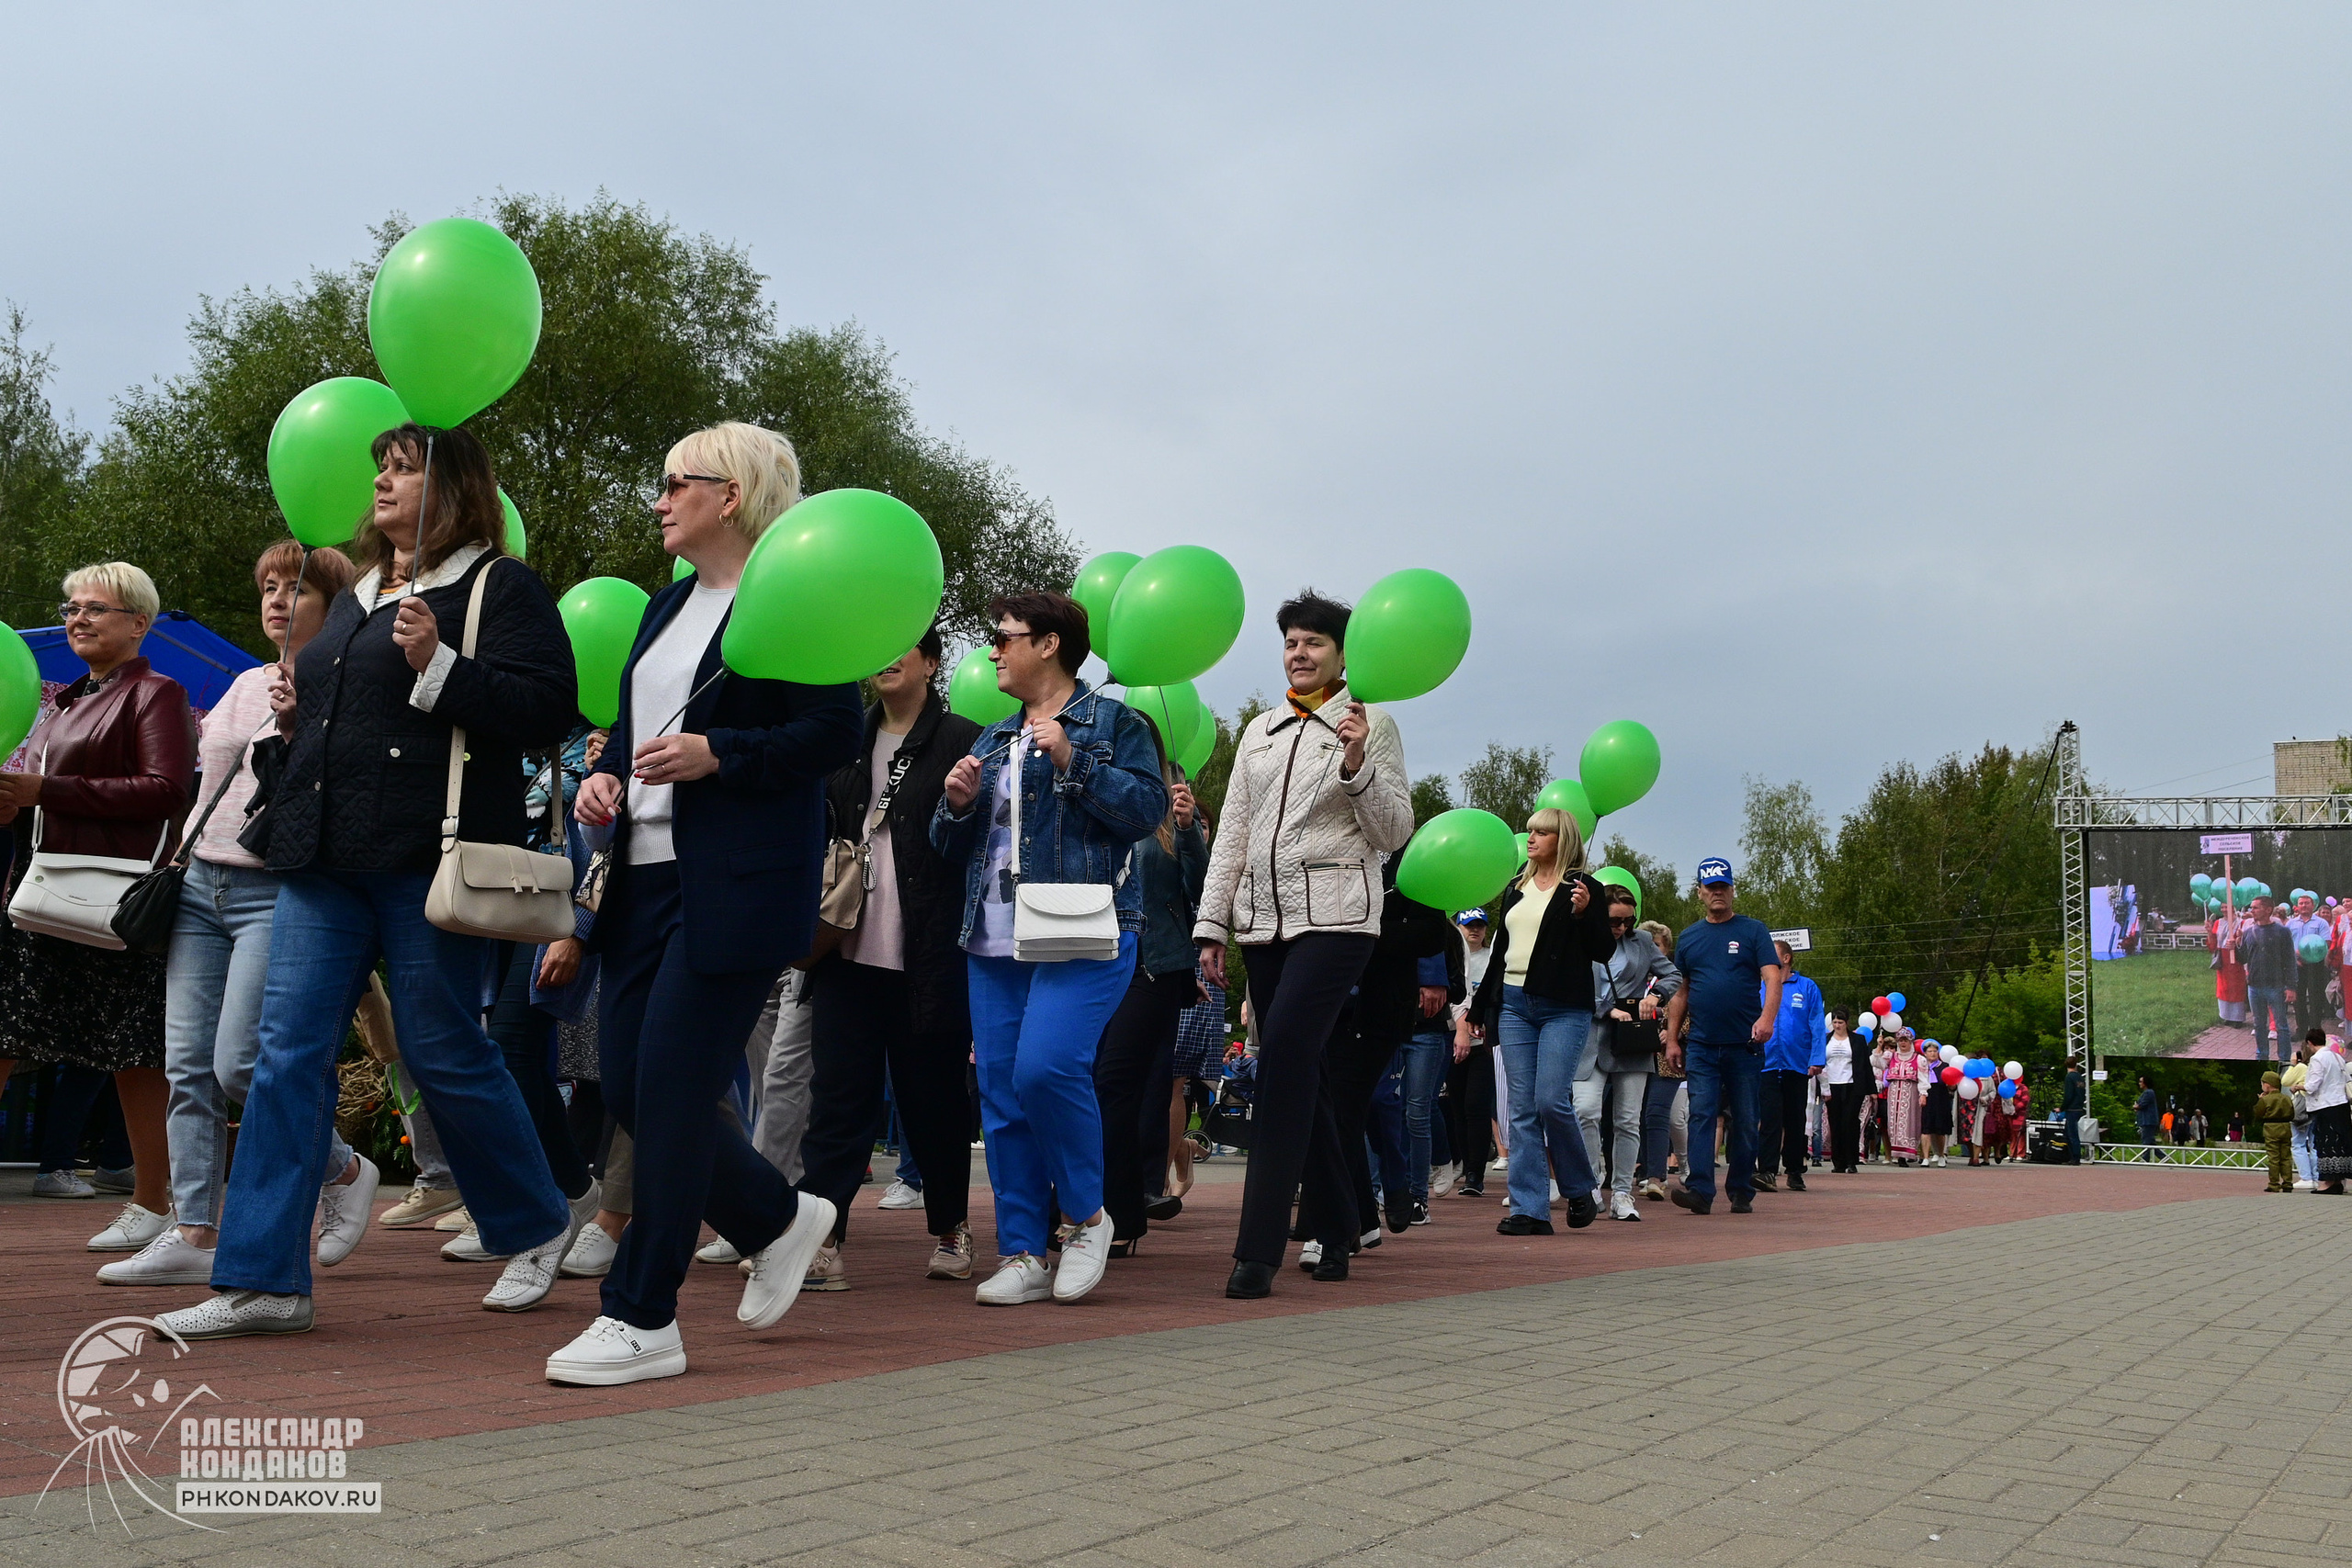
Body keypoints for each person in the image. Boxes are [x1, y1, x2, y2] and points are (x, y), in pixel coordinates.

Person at [153, 426, 578, 1342]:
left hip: (428, 860)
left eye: (405, 466)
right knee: (284, 1056)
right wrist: (303, 720)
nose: (383, 481)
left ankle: (535, 1222)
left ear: (456, 487)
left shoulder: (496, 587)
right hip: (324, 859)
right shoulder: (358, 590)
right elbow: (341, 716)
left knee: (442, 1053)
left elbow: (547, 707)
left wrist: (441, 668)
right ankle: (265, 1280)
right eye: (379, 466)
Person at [550, 422, 864, 1382]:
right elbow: (637, 733)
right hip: (641, 878)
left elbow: (832, 735)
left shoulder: (795, 604)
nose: (657, 500)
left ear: (729, 495)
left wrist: (720, 755)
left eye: (673, 482)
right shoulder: (662, 608)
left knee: (677, 1092)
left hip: (734, 888)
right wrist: (606, 783)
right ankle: (779, 1216)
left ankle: (643, 1317)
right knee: (640, 1091)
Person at [96, 544, 361, 1286]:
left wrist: (304, 718)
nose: (278, 600)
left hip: (275, 890)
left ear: (333, 607)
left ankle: (342, 1172)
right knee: (185, 1066)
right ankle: (194, 1229)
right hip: (198, 885)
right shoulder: (245, 681)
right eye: (269, 587)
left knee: (239, 1062)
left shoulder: (348, 686)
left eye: (297, 590)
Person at [933, 591, 1169, 1306]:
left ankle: (1089, 1218)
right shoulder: (991, 735)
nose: (993, 650)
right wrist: (956, 803)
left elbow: (1147, 811)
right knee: (1002, 1093)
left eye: (1004, 637)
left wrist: (1074, 759)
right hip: (994, 935)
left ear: (1049, 644)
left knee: (1046, 1069)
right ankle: (1021, 1251)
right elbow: (948, 846)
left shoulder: (1113, 722)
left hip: (1082, 930)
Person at [1192, 591, 1411, 1297]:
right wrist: (1211, 924)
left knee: (1284, 1051)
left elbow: (1395, 831)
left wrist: (1356, 766)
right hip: (1263, 923)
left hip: (1340, 918)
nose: (1300, 651)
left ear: (1344, 654)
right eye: (1291, 640)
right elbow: (1232, 833)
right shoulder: (1261, 729)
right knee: (1302, 1071)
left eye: (1314, 641)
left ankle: (1257, 1248)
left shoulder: (1371, 724)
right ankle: (1342, 1219)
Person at [0, 561, 195, 1249]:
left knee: (133, 1055)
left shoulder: (158, 693)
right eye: (71, 606)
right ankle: (152, 1203)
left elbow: (165, 790)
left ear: (139, 622)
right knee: (6, 1035)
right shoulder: (67, 701)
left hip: (112, 903)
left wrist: (43, 792)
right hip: (45, 892)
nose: (76, 617)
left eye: (96, 608)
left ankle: (153, 1203)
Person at [797, 627, 984, 1289]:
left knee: (932, 1103)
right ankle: (823, 1239)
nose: (885, 654)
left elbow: (976, 844)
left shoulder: (963, 738)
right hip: (845, 953)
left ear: (932, 662)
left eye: (902, 643)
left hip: (927, 959)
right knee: (838, 1103)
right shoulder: (844, 732)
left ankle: (951, 1227)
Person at [1463, 807, 1612, 1235]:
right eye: (1529, 831)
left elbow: (1602, 950)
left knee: (1551, 1100)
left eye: (1541, 832)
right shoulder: (1516, 886)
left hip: (1564, 1006)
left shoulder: (1586, 888)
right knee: (1521, 1110)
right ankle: (1529, 1210)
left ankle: (1580, 1187)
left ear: (1561, 839)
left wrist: (1585, 915)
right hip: (1512, 1005)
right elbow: (1501, 950)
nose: (1530, 838)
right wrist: (1478, 1008)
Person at [1088, 720, 1207, 1254]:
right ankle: (1105, 1204)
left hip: (1156, 966)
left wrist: (1188, 832)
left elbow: (1202, 891)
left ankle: (1120, 1208)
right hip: (1093, 960)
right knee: (1096, 1082)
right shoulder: (1098, 794)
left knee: (1125, 1082)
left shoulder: (1169, 812)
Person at [1662, 858, 1782, 1214]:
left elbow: (1772, 978)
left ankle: (1741, 1188)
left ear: (1732, 890)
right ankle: (1700, 1190)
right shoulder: (1691, 937)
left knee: (1745, 1120)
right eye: (1711, 887)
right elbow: (1680, 992)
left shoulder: (1752, 930)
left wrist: (1767, 1020)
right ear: (1699, 892)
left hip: (1744, 1045)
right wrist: (1671, 1039)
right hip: (1700, 1044)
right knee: (1700, 1115)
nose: (1718, 892)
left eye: (1723, 886)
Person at [1587, 885, 1678, 1219]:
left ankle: (1623, 1193)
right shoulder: (1583, 936)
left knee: (1627, 1120)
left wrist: (1656, 996)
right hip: (1591, 1037)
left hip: (1633, 1040)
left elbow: (1673, 974)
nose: (1621, 928)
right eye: (1614, 921)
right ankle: (1590, 1185)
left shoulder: (1641, 941)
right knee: (1585, 1111)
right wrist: (1606, 1008)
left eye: (1628, 920)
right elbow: (1573, 983)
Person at [1756, 940, 1825, 1192]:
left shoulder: (1806, 987)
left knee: (1796, 1120)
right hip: (1766, 1063)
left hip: (1797, 1064)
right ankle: (1767, 1171)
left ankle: (1795, 1171)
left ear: (1786, 958)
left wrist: (1817, 1058)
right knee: (1769, 1119)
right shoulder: (1760, 988)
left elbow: (1817, 1023)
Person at [1635, 919, 1685, 1198]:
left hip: (1667, 1056)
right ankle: (1645, 1169)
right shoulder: (1635, 977)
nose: (1649, 950)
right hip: (1637, 1054)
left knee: (1659, 1112)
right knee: (1636, 1115)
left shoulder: (1674, 978)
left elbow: (1688, 1010)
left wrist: (1672, 1031)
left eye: (1655, 945)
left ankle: (1658, 1175)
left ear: (1664, 949)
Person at [2238, 897, 2296, 1064]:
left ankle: (2284, 1060)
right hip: (2254, 987)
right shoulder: (2249, 932)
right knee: (2259, 1025)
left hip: (2276, 986)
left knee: (2281, 1026)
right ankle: (2261, 1057)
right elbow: (2243, 958)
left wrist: (2291, 987)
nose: (2252, 911)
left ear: (2268, 910)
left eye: (2256, 907)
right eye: (2251, 907)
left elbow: (2290, 961)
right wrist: (2234, 946)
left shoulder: (2282, 932)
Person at [2305, 1032, 2351, 1194]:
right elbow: (2346, 1079)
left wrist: (2299, 1087)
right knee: (2340, 1143)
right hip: (2341, 1104)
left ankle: (2328, 1182)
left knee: (2326, 1142)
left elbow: (2312, 1085)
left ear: (2310, 1043)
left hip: (2326, 1105)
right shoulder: (2337, 1056)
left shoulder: (2318, 1058)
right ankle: (2338, 1181)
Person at [1822, 1010, 1866, 1173]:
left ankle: (1851, 1160)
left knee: (1850, 1122)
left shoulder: (1857, 1040)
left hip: (1851, 1085)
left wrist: (1868, 1089)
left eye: (1840, 1022)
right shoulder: (1826, 1040)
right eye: (1835, 1022)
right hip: (1832, 1085)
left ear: (1846, 1023)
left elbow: (1864, 1065)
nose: (1837, 1025)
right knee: (1835, 1123)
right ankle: (1838, 1161)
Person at [2288, 894, 2333, 1039]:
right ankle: (2301, 1030)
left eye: (2307, 903)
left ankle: (2315, 1031)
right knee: (2298, 999)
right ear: (2297, 906)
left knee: (2315, 998)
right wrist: (2296, 958)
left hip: (2315, 965)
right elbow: (2286, 945)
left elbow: (2326, 943)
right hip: (2296, 964)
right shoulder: (2291, 923)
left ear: (2313, 906)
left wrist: (2309, 956)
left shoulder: (2321, 923)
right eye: (2301, 903)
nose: (2304, 906)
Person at [1881, 1030, 1923, 1166]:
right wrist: (1879, 1046)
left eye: (1906, 1040)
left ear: (1911, 1042)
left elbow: (1923, 1078)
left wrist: (1923, 1094)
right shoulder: (1891, 1057)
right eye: (1901, 1040)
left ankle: (1906, 1152)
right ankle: (1897, 1154)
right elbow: (1876, 1063)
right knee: (1894, 1122)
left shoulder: (1918, 1059)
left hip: (1911, 1093)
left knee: (1909, 1121)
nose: (1903, 1043)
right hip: (1894, 1093)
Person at [2254, 1072, 2296, 1191]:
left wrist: (2260, 1100)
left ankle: (2274, 1184)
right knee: (2286, 1157)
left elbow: (2258, 1114)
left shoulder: (2265, 1100)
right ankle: (2288, 1183)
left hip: (2271, 1129)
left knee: (2274, 1157)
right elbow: (2292, 1115)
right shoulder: (2286, 1098)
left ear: (2267, 1085)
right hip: (2286, 1128)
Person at [1920, 1039, 1955, 1167]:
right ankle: (1925, 1157)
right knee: (1925, 1129)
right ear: (1925, 1053)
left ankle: (1941, 1154)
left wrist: (1951, 1083)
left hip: (1941, 1099)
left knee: (1940, 1130)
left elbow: (1952, 1086)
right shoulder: (1922, 1066)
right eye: (1930, 1051)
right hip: (1926, 1098)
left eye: (1935, 1051)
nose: (1933, 1053)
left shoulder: (1944, 1066)